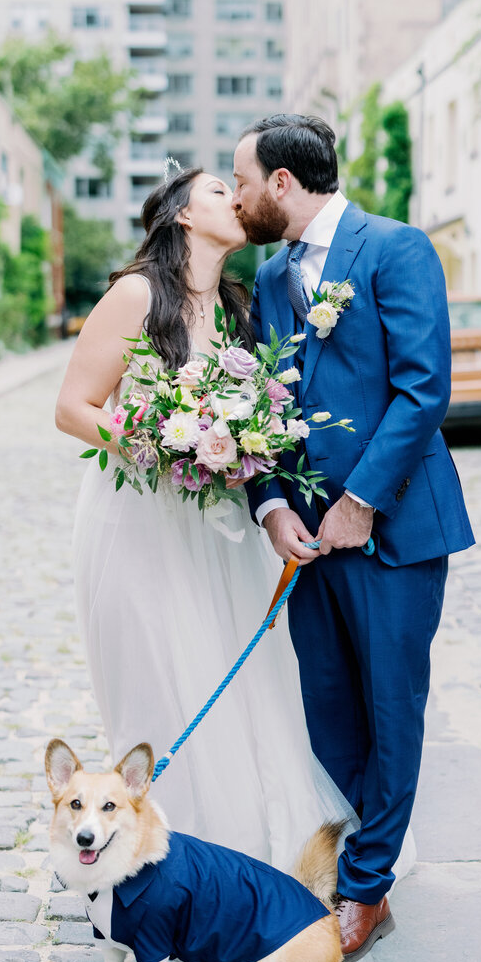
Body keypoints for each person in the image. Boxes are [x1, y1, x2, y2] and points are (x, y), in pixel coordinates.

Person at [54, 168, 352, 872]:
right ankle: (159, 862)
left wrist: (229, 441)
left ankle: (248, 858)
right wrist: (161, 439)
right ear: (184, 216)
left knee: (240, 679)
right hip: (139, 523)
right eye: (220, 188)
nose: (237, 196)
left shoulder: (238, 307)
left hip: (216, 526)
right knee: (161, 678)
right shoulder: (136, 294)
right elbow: (73, 407)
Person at [232, 114, 475, 962]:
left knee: (389, 707)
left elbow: (423, 390)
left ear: (285, 184)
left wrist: (362, 502)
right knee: (329, 714)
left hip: (393, 532)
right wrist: (270, 505)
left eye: (243, 181)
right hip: (308, 538)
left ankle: (367, 884)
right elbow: (257, 404)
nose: (238, 197)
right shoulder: (269, 276)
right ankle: (370, 846)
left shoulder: (397, 248)